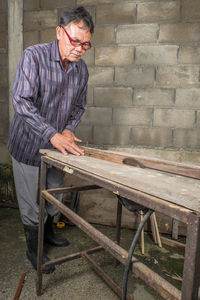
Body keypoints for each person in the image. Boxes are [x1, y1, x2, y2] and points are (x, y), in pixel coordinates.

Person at [8, 6, 94, 274]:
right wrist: (52, 134)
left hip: (58, 149)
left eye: (86, 44)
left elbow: (79, 106)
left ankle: (47, 235)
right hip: (28, 147)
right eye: (74, 40)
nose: (80, 48)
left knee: (53, 195)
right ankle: (34, 251)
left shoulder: (81, 71)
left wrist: (68, 129)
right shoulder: (33, 56)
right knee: (32, 204)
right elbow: (21, 101)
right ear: (59, 32)